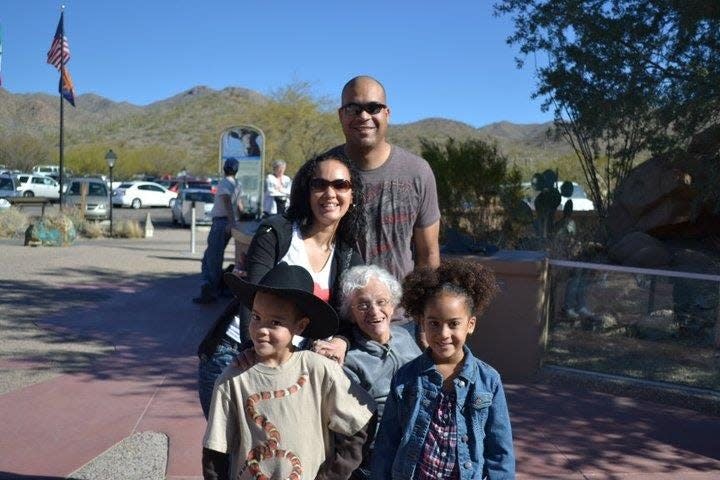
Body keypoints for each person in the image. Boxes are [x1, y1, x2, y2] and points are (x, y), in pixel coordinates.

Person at [196, 150, 365, 417]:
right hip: (238, 355)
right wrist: (262, 365)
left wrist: (342, 341)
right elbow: (250, 301)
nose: (330, 193)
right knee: (233, 456)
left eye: (340, 185)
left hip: (291, 365)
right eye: (319, 184)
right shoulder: (277, 233)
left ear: (352, 195)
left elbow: (348, 318)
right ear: (307, 192)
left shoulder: (348, 257)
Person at [202, 263, 376, 480]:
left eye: (275, 322)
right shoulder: (234, 378)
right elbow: (214, 452)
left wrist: (332, 474)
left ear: (300, 326)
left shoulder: (319, 370)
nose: (262, 330)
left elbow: (361, 421)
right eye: (256, 317)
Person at [372, 259, 516, 479]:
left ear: (471, 324)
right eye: (434, 323)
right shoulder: (406, 378)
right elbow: (387, 443)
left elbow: (500, 452)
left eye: (454, 323)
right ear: (421, 322)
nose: (443, 334)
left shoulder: (489, 381)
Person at [329, 75, 441, 282]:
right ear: (341, 115)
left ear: (387, 113)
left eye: (373, 108)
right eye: (353, 108)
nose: (363, 116)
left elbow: (428, 255)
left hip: (400, 312)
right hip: (333, 311)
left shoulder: (417, 172)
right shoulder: (321, 172)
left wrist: (423, 310)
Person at [339, 265, 422, 480]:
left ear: (393, 305)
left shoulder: (404, 337)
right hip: (376, 458)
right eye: (363, 305)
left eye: (381, 302)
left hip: (417, 445)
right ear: (351, 313)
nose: (374, 311)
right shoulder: (350, 360)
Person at [193, 158, 244, 304]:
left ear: (224, 168)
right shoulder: (237, 184)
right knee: (213, 256)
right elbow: (239, 204)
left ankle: (210, 290)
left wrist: (231, 222)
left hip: (221, 222)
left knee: (212, 258)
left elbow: (227, 200)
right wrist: (239, 219)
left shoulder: (224, 183)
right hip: (228, 222)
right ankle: (212, 288)